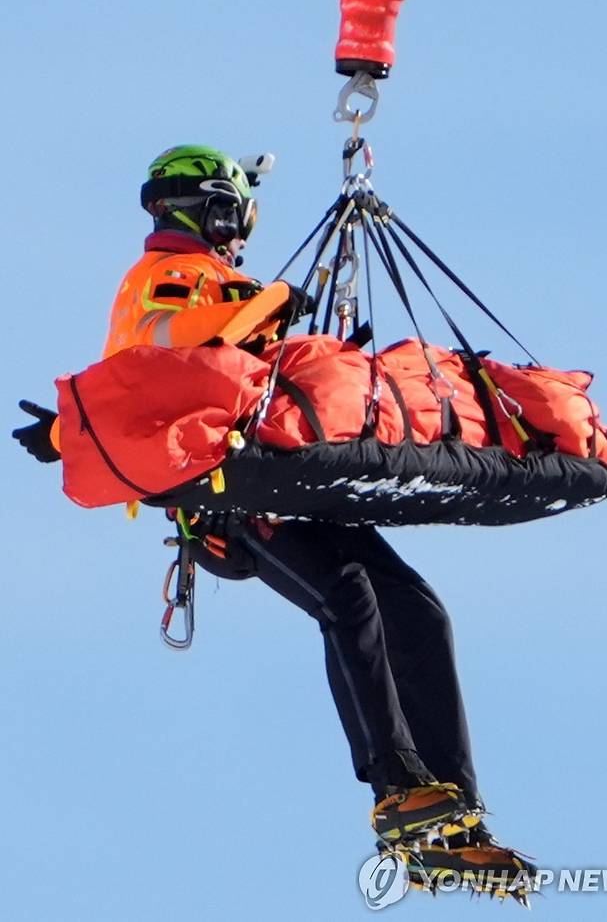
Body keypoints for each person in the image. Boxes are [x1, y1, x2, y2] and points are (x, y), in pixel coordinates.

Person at [14, 145, 533, 897]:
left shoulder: (216, 281)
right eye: (235, 216)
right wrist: (267, 305)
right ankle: (398, 788)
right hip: (225, 491)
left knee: (418, 609)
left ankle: (455, 818)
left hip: (280, 475)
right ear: (214, 209)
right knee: (345, 596)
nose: (239, 234)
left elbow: (235, 370)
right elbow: (161, 347)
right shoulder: (170, 273)